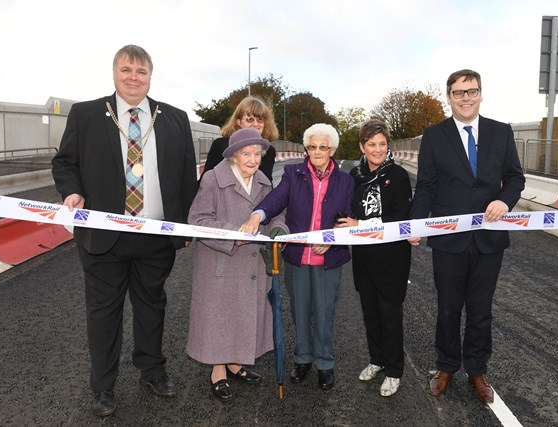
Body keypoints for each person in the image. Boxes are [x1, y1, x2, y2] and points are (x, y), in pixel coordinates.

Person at [51, 45, 198, 417]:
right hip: (103, 237)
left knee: (153, 306)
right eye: (126, 70)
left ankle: (151, 370)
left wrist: (185, 227)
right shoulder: (86, 114)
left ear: (151, 75)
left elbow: (185, 178)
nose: (133, 77)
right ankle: (103, 386)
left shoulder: (176, 119)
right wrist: (72, 191)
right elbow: (65, 162)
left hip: (155, 236)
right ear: (114, 73)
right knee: (104, 313)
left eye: (141, 71)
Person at [408, 69, 525, 404]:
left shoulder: (501, 133)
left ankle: (477, 370)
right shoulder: (433, 135)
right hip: (449, 241)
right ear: (449, 97)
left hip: (490, 240)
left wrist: (505, 200)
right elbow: (427, 185)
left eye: (471, 91)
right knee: (447, 308)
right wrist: (417, 224)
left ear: (480, 93)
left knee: (480, 310)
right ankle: (446, 366)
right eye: (458, 93)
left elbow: (515, 177)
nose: (465, 98)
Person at [240, 123, 354, 390]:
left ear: (332, 150)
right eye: (312, 146)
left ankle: (325, 363)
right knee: (299, 310)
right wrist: (258, 214)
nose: (317, 152)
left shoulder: (346, 180)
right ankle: (302, 359)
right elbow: (276, 199)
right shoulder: (293, 173)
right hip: (297, 257)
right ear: (306, 148)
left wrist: (331, 239)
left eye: (322, 147)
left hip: (329, 257)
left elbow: (346, 217)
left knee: (324, 313)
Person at [185, 127, 287, 402]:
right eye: (246, 154)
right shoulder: (212, 180)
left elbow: (276, 213)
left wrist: (279, 230)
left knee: (242, 316)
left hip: (252, 266)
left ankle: (235, 363)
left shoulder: (264, 181)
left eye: (257, 154)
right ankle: (218, 370)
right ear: (233, 156)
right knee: (221, 317)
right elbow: (198, 221)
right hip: (221, 262)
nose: (253, 159)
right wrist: (233, 235)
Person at [335, 119, 412, 397]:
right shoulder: (355, 175)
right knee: (370, 314)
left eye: (382, 144)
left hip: (392, 257)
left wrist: (361, 225)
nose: (378, 149)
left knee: (390, 315)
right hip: (364, 257)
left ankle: (394, 371)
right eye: (371, 144)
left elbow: (400, 218)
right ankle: (377, 359)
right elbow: (347, 210)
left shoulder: (399, 176)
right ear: (362, 146)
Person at [200, 96, 278, 184]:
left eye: (260, 120)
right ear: (239, 122)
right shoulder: (220, 145)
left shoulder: (269, 151)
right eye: (250, 119)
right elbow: (206, 180)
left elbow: (267, 184)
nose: (256, 124)